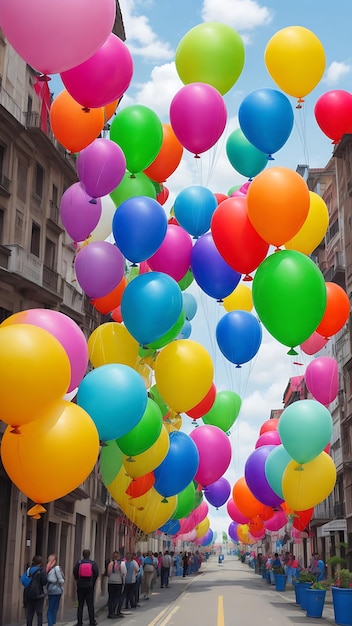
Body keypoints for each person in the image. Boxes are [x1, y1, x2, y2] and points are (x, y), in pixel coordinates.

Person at [73, 549, 99, 626]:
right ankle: (92, 621)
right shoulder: (93, 563)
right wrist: (92, 582)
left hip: (80, 585)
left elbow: (75, 573)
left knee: (80, 605)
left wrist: (78, 580)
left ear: (83, 555)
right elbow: (96, 573)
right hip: (89, 586)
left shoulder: (79, 563)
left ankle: (79, 622)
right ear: (89, 555)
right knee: (90, 604)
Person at [23, 555, 47, 626]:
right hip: (39, 595)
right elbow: (44, 582)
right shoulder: (41, 570)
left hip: (29, 594)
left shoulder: (28, 570)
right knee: (39, 613)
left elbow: (23, 580)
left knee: (29, 613)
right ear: (40, 562)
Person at [46, 554, 65, 626]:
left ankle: (51, 623)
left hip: (51, 590)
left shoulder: (47, 568)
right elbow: (61, 581)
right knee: (53, 609)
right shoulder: (57, 568)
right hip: (57, 590)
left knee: (51, 608)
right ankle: (52, 623)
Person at [106, 551, 125, 619]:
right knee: (117, 597)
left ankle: (110, 612)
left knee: (111, 597)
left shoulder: (110, 563)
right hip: (118, 582)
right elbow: (124, 572)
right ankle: (115, 611)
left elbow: (108, 573)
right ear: (119, 556)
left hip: (111, 582)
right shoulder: (122, 564)